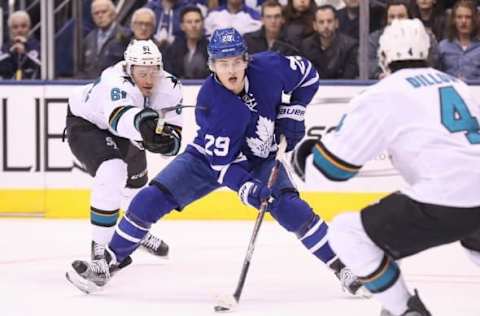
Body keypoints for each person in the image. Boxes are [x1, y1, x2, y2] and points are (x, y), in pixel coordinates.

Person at [65, 27, 364, 297]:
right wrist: (246, 189)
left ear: (247, 59)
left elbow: (309, 75)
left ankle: (343, 266)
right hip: (207, 161)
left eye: (236, 61)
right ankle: (108, 263)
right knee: (148, 201)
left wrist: (295, 109)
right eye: (223, 63)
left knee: (292, 208)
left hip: (261, 157)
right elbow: (223, 167)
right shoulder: (213, 102)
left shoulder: (272, 67)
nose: (231, 70)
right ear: (212, 66)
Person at [294, 19, 480, 316]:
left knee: (347, 233)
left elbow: (332, 170)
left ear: (383, 57)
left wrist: (303, 158)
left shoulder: (384, 92)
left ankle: (404, 310)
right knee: (475, 241)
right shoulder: (455, 83)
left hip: (444, 199)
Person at [66, 39, 183, 267]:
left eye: (154, 72)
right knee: (112, 170)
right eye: (142, 73)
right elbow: (118, 118)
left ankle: (131, 233)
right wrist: (144, 127)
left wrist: (168, 144)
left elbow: (175, 132)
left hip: (132, 127)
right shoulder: (114, 79)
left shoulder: (171, 85)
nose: (149, 79)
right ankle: (99, 249)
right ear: (129, 69)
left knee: (137, 184)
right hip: (88, 123)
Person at [300, 5, 358, 79]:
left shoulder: (350, 46)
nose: (326, 26)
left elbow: (349, 78)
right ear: (315, 25)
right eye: (321, 22)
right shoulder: (306, 46)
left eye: (329, 21)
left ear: (337, 23)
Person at [78, 0, 130, 79]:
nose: (100, 16)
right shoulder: (88, 39)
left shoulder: (126, 36)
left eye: (104, 12)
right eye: (96, 13)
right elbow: (80, 69)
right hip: (91, 86)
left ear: (113, 13)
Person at [163, 6, 210, 79]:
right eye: (189, 22)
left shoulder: (211, 50)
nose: (193, 25)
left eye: (197, 21)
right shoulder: (172, 50)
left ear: (203, 24)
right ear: (182, 26)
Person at [438, 0, 480, 81]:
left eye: (468, 17)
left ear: (475, 19)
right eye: (459, 17)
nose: (463, 21)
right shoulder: (443, 47)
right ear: (454, 20)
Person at [0, 10, 41, 79]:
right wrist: (11, 54)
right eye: (15, 27)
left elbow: (41, 69)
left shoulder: (37, 46)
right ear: (10, 30)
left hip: (32, 87)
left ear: (29, 28)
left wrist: (24, 53)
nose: (19, 30)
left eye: (23, 26)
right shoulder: (5, 47)